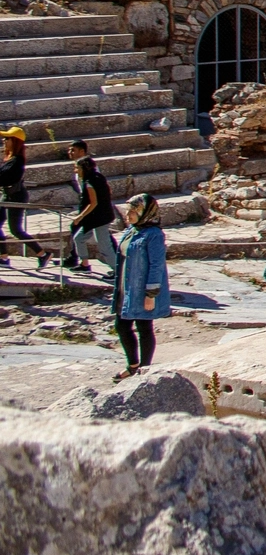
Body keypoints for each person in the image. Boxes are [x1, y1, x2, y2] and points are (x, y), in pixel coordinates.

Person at [111, 193, 168, 378]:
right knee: (122, 326)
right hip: (126, 288)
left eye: (132, 212)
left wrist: (151, 294)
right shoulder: (132, 231)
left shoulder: (154, 235)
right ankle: (133, 364)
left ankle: (144, 369)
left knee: (144, 327)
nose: (128, 216)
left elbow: (157, 264)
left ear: (143, 212)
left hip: (142, 289)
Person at [67, 141, 118, 272]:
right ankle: (84, 264)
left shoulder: (90, 182)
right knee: (78, 238)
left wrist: (80, 216)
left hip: (99, 218)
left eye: (77, 168)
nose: (75, 171)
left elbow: (93, 202)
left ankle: (117, 270)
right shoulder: (97, 177)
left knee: (104, 246)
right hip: (94, 217)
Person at [0, 128, 47, 268]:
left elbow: (4, 177)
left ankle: (43, 254)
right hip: (8, 195)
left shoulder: (17, 161)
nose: (4, 141)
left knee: (16, 230)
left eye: (6, 139)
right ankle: (3, 257)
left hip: (16, 197)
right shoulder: (11, 159)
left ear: (14, 141)